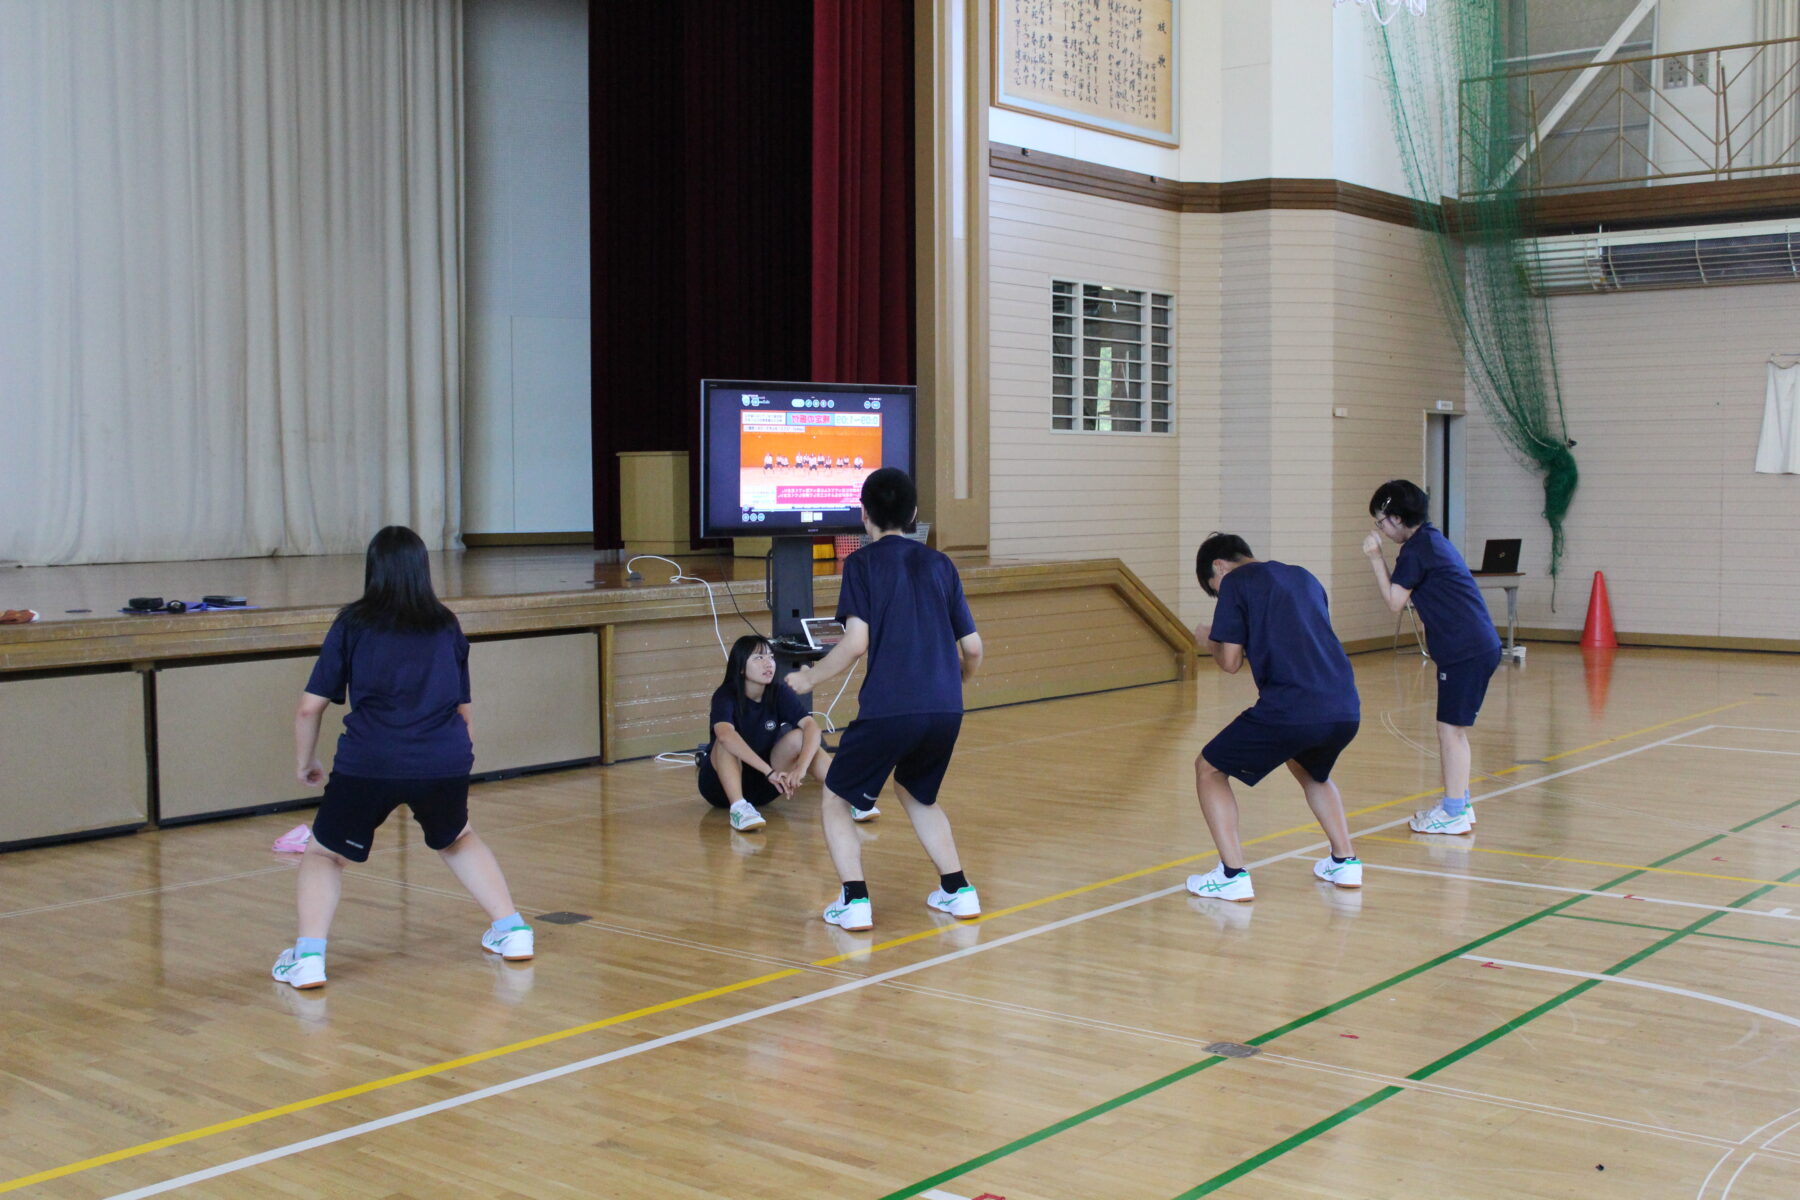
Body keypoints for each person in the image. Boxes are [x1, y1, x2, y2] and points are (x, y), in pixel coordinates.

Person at [272, 526, 532, 990]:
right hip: (444, 757)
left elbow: (310, 706)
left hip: (370, 760)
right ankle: (513, 931)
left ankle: (307, 959)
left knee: (325, 854)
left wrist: (304, 762)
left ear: (373, 569)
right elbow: (464, 711)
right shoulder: (445, 624)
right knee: (458, 837)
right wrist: (450, 759)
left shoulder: (353, 623)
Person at [786, 468, 983, 931]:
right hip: (945, 708)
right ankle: (958, 891)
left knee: (835, 794)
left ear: (864, 515)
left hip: (890, 707)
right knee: (918, 793)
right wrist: (959, 682)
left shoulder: (862, 564)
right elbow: (972, 648)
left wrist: (810, 676)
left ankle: (854, 901)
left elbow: (856, 643)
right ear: (914, 514)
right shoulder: (941, 565)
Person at [1187, 532, 1363, 903]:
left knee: (1209, 768)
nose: (1221, 595)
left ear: (1219, 566)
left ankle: (1232, 875)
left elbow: (1231, 662)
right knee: (1311, 769)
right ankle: (1345, 861)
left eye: (1214, 589)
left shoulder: (1235, 582)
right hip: (1344, 704)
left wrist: (1210, 640)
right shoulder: (1303, 576)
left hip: (1292, 706)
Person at [1363, 479, 1503, 835]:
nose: (1381, 529)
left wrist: (1376, 558)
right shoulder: (1428, 542)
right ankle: (1459, 804)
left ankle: (1455, 812)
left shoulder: (1417, 550)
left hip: (1466, 650)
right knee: (1452, 730)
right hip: (1470, 646)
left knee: (1450, 731)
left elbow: (1395, 603)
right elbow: (1412, 597)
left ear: (1395, 518)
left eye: (1381, 522)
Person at [698, 634, 876, 830]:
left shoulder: (778, 692)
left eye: (770, 657)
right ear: (740, 667)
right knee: (726, 742)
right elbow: (724, 735)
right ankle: (739, 808)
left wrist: (801, 768)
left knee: (801, 737)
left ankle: (849, 797)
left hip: (769, 785)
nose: (768, 664)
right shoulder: (725, 695)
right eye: (758, 658)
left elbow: (811, 727)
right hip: (720, 789)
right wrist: (769, 771)